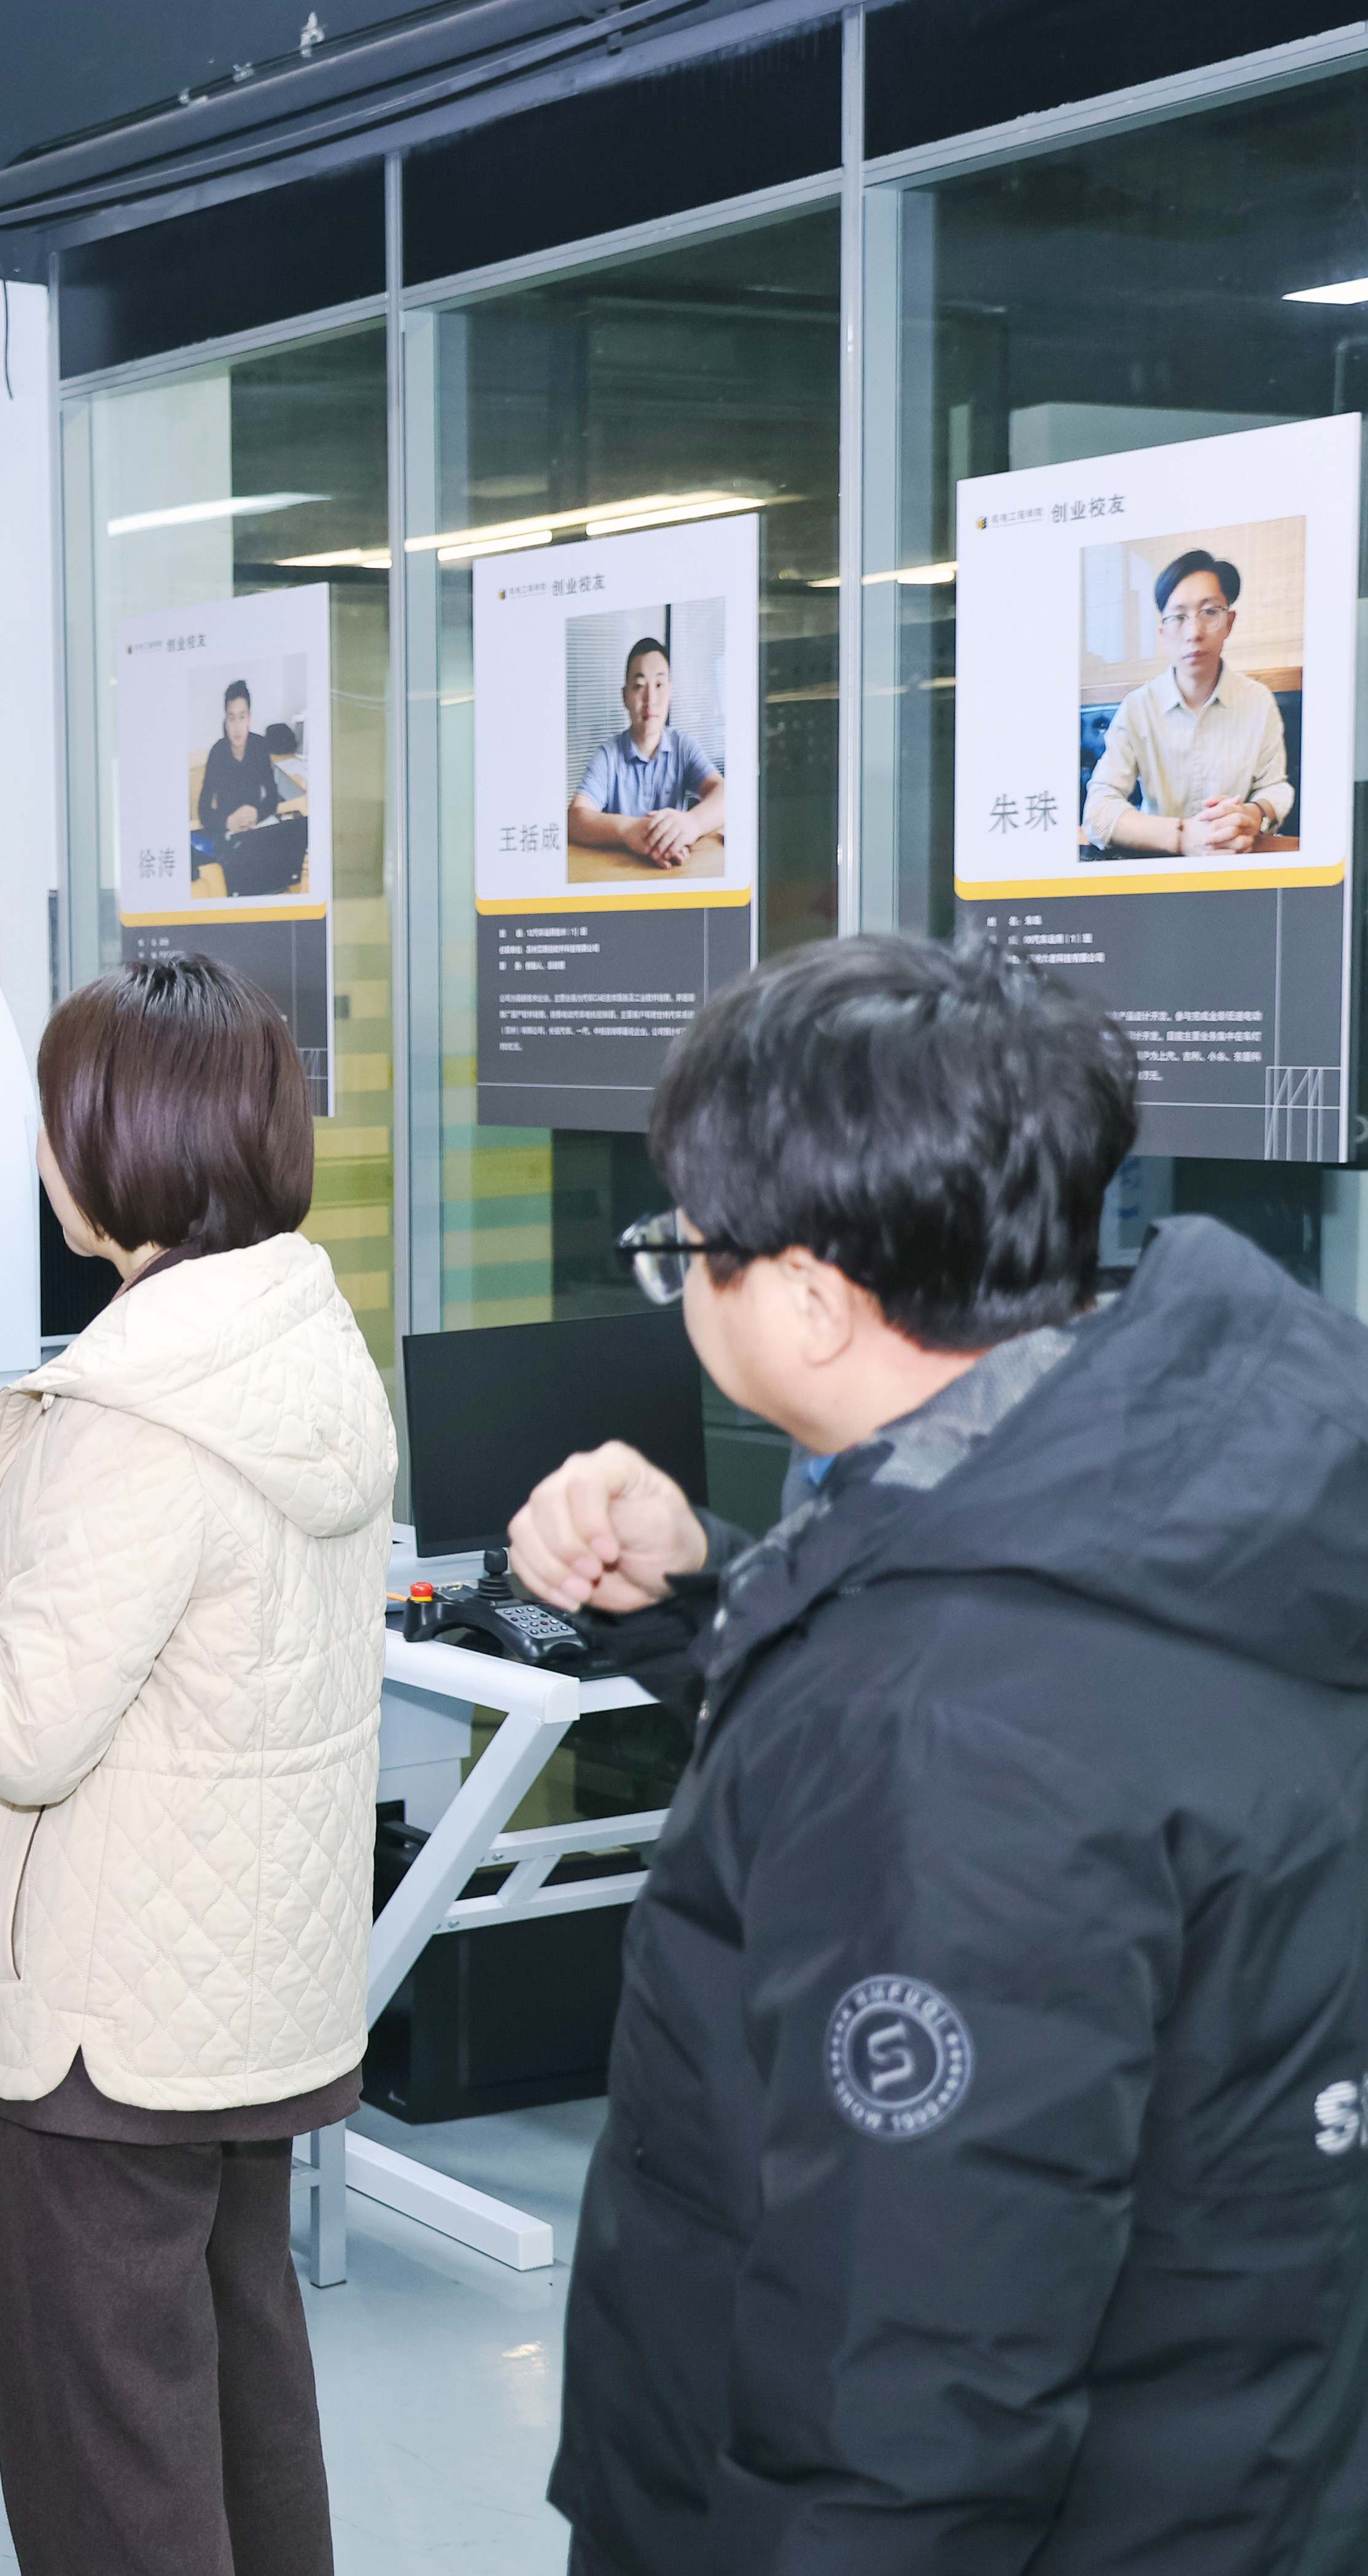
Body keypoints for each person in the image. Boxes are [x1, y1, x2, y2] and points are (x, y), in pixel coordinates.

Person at [510, 935, 1368, 2572]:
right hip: (1226, 2451)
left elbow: (909, 2366)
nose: (678, 1288)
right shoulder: (1151, 1495)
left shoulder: (948, 1722)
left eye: (687, 1250)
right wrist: (703, 1593)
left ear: (811, 1301)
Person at [0, 951, 389, 2576]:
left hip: (102, 2014)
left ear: (119, 1143)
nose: (41, 1153)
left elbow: (20, 1728)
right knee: (240, 2389)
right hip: (240, 1986)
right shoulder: (294, 1345)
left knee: (106, 2449)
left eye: (55, 1119)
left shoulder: (132, 1406)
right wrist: (17, 1548)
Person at [1085, 546, 1295, 857]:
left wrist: (1255, 813)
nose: (1194, 632)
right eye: (1179, 617)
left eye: (1209, 612)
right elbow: (1098, 811)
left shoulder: (1258, 702)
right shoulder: (1138, 708)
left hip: (1234, 860)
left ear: (1229, 622)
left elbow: (1275, 787)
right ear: (1163, 633)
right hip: (1159, 863)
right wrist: (1182, 837)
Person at [567, 636, 728, 870]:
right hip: (620, 875)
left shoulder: (684, 747)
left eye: (659, 685)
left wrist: (691, 823)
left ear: (670, 692)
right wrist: (628, 830)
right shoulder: (609, 755)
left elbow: (726, 794)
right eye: (639, 686)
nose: (650, 700)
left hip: (675, 873)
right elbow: (575, 819)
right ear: (625, 696)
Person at [195, 679, 312, 898]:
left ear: (249, 718)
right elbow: (203, 810)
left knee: (283, 863)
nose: (237, 726)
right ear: (225, 721)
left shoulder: (259, 746)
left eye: (242, 717)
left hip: (258, 826)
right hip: (231, 834)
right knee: (247, 881)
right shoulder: (218, 753)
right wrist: (227, 822)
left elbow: (272, 796)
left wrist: (257, 814)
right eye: (232, 718)